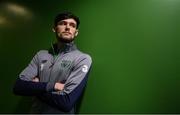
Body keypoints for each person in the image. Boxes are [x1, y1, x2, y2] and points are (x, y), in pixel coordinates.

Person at [13, 11, 92, 114]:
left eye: (72, 25)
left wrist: (35, 89)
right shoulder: (41, 55)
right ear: (54, 29)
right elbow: (19, 87)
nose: (67, 27)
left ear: (76, 32)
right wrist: (53, 86)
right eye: (62, 23)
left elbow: (66, 102)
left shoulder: (83, 59)